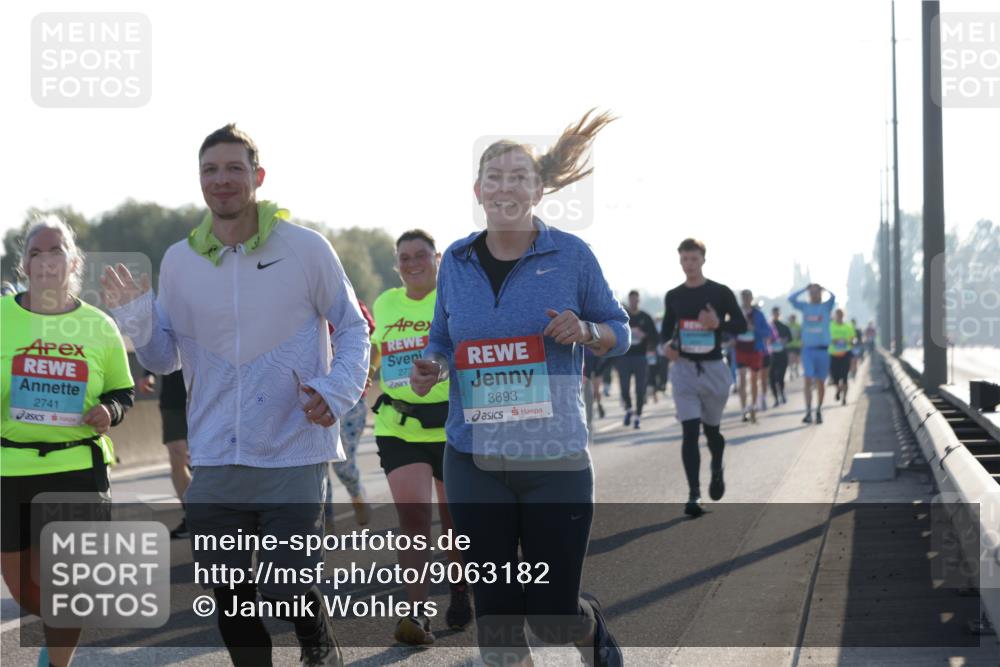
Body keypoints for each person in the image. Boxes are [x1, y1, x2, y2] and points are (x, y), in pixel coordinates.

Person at [104, 124, 368, 667]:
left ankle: (318, 641)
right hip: (216, 453)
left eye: (233, 169)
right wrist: (135, 318)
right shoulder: (180, 259)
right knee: (229, 596)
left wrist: (337, 389)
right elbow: (163, 359)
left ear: (257, 177)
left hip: (293, 447)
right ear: (199, 180)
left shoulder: (304, 247)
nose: (221, 181)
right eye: (210, 170)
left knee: (286, 585)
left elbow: (353, 327)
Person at [410, 110, 629, 667]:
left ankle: (590, 630)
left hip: (553, 456)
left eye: (518, 176)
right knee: (500, 624)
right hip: (473, 456)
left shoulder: (570, 255)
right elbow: (440, 337)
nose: (505, 186)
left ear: (538, 189)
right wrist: (431, 364)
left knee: (552, 619)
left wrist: (585, 331)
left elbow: (621, 330)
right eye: (495, 176)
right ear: (478, 190)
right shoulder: (455, 261)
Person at [2, 215, 135, 667]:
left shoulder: (98, 325)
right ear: (22, 266)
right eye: (34, 253)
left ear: (73, 261)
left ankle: (57, 660)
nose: (44, 261)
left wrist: (109, 411)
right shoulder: (2, 318)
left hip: (78, 466)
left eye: (55, 250)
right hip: (10, 468)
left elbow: (123, 390)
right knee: (22, 589)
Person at [368, 229, 470, 645]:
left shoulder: (454, 300)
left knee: (452, 521)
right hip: (399, 426)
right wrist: (364, 382)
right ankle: (416, 615)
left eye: (420, 255)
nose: (412, 263)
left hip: (450, 425)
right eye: (404, 257)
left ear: (437, 258)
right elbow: (375, 351)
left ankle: (461, 589)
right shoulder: (385, 303)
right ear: (396, 264)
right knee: (412, 520)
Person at [661, 238, 747, 517]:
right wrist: (666, 348)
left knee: (711, 431)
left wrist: (718, 323)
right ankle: (694, 495)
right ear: (679, 261)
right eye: (684, 259)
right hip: (684, 369)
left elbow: (741, 325)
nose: (689, 265)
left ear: (703, 260)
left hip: (713, 370)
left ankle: (717, 465)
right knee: (689, 431)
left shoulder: (720, 293)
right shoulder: (673, 295)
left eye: (694, 259)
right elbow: (665, 332)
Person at [322, 299, 376, 533]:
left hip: (351, 398)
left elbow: (370, 342)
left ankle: (356, 494)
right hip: (316, 396)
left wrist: (368, 370)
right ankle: (325, 520)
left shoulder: (350, 303)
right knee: (319, 463)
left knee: (343, 465)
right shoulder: (298, 304)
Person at [138, 369, 191, 538]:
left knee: (207, 461)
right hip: (173, 400)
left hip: (207, 398)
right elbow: (158, 349)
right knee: (178, 456)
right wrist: (149, 374)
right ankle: (192, 515)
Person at [789, 283, 835, 425]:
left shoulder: (826, 307)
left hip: (823, 351)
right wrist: (804, 288)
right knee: (808, 379)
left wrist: (823, 287)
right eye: (812, 293)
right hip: (808, 350)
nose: (814, 295)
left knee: (821, 382)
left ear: (820, 293)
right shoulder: (805, 307)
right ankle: (808, 411)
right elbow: (791, 299)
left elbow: (833, 296)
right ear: (809, 294)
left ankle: (819, 410)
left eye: (817, 292)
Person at [617, 290, 658, 429]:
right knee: (624, 387)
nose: (634, 302)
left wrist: (644, 335)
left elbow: (655, 337)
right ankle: (629, 409)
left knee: (640, 389)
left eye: (636, 299)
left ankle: (638, 416)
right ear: (629, 300)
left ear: (639, 300)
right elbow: (615, 332)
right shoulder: (623, 317)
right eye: (632, 299)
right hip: (624, 357)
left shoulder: (645, 317)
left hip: (640, 357)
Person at [734, 290, 769, 424]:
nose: (745, 299)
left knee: (754, 380)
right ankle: (744, 410)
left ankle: (753, 406)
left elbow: (766, 332)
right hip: (740, 350)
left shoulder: (758, 314)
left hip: (755, 350)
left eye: (748, 296)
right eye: (743, 296)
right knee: (742, 380)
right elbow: (730, 329)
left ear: (752, 298)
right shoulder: (736, 313)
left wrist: (753, 328)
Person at [830, 309, 855, 405]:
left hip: (845, 354)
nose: (839, 316)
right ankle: (838, 388)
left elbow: (853, 339)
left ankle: (844, 398)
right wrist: (834, 341)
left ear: (843, 315)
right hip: (834, 354)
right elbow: (827, 338)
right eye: (838, 315)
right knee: (835, 377)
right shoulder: (830, 326)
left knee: (844, 377)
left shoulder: (848, 326)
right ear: (835, 316)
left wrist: (849, 342)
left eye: (841, 315)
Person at [768, 307, 792, 406]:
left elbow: (790, 338)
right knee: (772, 378)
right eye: (774, 313)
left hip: (782, 355)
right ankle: (776, 398)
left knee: (780, 377)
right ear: (772, 314)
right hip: (771, 355)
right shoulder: (768, 326)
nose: (776, 315)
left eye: (777, 313)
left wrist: (784, 340)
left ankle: (782, 393)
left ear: (779, 314)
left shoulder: (784, 326)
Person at [786, 313, 802, 380]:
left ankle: (797, 369)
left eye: (793, 318)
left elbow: (801, 335)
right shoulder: (787, 325)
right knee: (790, 359)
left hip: (797, 345)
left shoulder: (798, 325)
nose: (792, 319)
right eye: (791, 318)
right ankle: (791, 372)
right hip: (789, 345)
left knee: (797, 359)